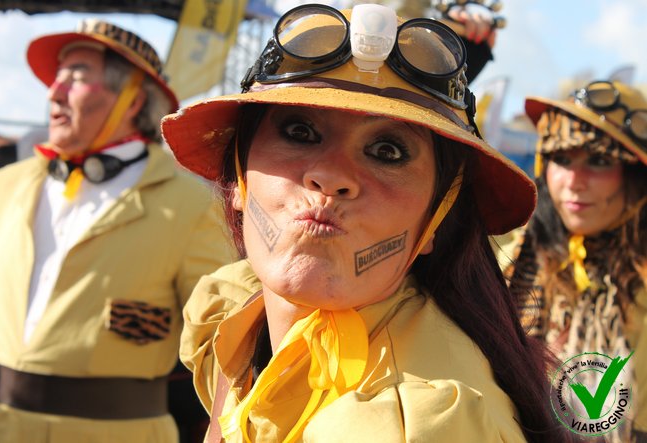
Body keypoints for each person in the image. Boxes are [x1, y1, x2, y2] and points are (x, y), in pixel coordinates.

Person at [162, 4, 572, 442]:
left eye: (387, 152)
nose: (330, 176)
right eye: (300, 132)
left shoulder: (412, 424)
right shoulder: (230, 313)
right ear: (238, 178)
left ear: (436, 217)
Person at [0, 19, 235, 443]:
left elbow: (226, 343)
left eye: (77, 76)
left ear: (133, 101)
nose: (53, 92)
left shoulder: (191, 204)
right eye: (57, 77)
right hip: (0, 430)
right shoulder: (7, 183)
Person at [504, 80, 647, 441]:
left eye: (599, 161)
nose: (573, 181)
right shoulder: (512, 258)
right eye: (561, 159)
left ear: (637, 175)